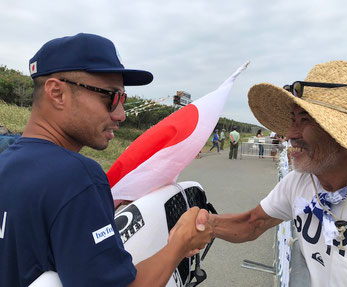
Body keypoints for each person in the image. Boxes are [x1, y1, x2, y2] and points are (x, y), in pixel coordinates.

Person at [0, 33, 212, 287]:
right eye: (111, 97)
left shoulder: (7, 162)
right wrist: (181, 243)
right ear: (56, 93)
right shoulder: (76, 177)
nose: (121, 114)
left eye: (123, 99)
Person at [208, 60, 347, 286]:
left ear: (344, 136)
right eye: (293, 119)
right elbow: (254, 223)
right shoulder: (300, 181)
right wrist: (204, 225)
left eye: (304, 120)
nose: (290, 133)